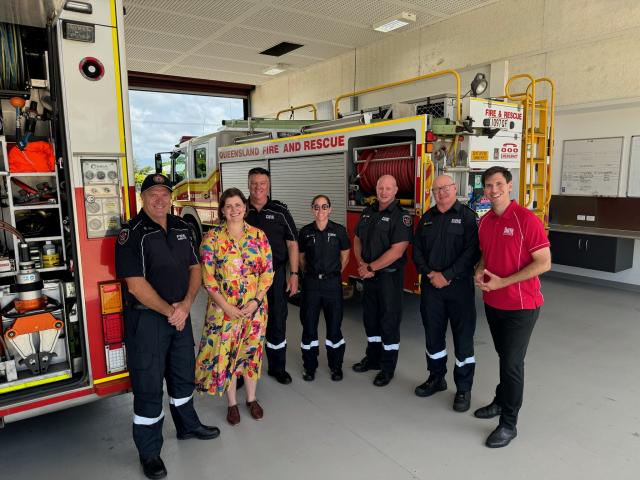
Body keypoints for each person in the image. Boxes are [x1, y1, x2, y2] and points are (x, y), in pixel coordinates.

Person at [115, 173, 220, 480]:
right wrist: (169, 311)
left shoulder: (181, 226)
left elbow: (195, 267)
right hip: (148, 319)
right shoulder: (131, 233)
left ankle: (187, 425)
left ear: (171, 197)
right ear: (142, 197)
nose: (160, 199)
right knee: (148, 385)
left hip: (180, 313)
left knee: (182, 374)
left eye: (164, 193)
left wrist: (186, 305)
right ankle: (149, 452)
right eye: (153, 194)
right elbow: (135, 285)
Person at [474, 166, 551, 448]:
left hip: (521, 306)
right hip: (493, 302)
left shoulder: (526, 219)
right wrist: (479, 271)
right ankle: (500, 400)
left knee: (511, 364)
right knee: (503, 356)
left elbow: (544, 262)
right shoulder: (485, 222)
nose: (493, 190)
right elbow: (485, 256)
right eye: (488, 185)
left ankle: (508, 423)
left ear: (509, 186)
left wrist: (504, 281)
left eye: (498, 184)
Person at [195, 188, 274, 426]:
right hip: (223, 312)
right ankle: (231, 403)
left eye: (238, 205)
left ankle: (251, 398)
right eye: (228, 206)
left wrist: (256, 301)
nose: (234, 210)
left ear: (245, 207)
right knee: (227, 355)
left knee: (251, 354)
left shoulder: (258, 236)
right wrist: (226, 307)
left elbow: (267, 273)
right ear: (222, 210)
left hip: (254, 310)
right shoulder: (212, 239)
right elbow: (208, 280)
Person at [412, 175, 480, 412]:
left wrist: (447, 275)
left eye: (445, 188)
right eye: (436, 189)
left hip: (459, 288)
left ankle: (463, 388)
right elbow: (416, 251)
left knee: (463, 340)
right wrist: (430, 273)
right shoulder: (427, 219)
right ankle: (436, 377)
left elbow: (472, 253)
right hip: (432, 288)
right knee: (433, 335)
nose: (440, 193)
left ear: (454, 189)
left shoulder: (468, 217)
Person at [352, 174, 412, 387]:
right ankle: (373, 358)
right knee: (371, 320)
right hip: (369, 277)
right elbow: (357, 239)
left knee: (389, 322)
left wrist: (370, 267)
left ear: (396, 190)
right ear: (376, 189)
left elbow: (397, 251)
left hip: (388, 279)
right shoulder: (368, 212)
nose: (384, 192)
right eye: (380, 188)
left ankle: (387, 368)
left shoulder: (401, 216)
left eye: (388, 188)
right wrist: (361, 264)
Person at [245, 167, 298, 385]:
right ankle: (242, 371)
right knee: (245, 323)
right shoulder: (240, 209)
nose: (258, 187)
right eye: (254, 183)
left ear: (268, 185)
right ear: (248, 184)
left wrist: (293, 274)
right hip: (246, 279)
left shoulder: (280, 211)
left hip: (274, 276)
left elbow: (292, 243)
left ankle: (278, 368)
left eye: (262, 183)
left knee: (277, 321)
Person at [298, 194, 350, 382]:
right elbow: (302, 259)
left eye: (324, 206)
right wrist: (313, 275)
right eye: (317, 207)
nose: (321, 210)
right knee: (309, 327)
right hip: (311, 285)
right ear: (312, 209)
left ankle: (336, 367)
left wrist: (332, 274)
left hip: (332, 285)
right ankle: (309, 367)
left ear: (330, 209)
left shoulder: (339, 231)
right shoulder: (304, 232)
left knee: (334, 327)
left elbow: (345, 257)